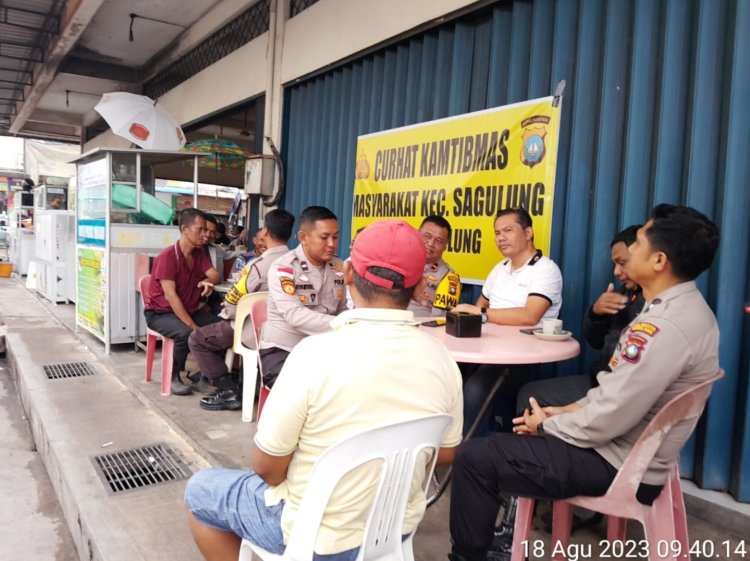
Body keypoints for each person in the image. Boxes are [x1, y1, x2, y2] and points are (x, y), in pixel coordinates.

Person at [447, 204, 721, 561]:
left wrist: (549, 422)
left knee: (473, 457)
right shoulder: (684, 310)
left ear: (659, 261)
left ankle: (471, 555)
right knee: (516, 424)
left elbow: (609, 416)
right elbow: (613, 394)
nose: (626, 254)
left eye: (637, 243)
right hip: (626, 447)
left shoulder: (662, 327)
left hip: (614, 462)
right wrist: (562, 410)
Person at [184, 219, 464, 561]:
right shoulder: (443, 359)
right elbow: (445, 454)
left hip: (313, 536)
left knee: (200, 490)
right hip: (394, 530)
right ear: (419, 283)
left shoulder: (313, 356)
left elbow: (266, 467)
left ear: (347, 274)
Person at [451, 207, 563, 434]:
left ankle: (477, 454)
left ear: (528, 232)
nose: (500, 237)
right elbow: (481, 304)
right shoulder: (499, 269)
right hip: (485, 347)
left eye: (508, 230)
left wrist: (481, 314)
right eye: (497, 233)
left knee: (474, 391)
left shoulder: (545, 269)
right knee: (449, 377)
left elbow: (529, 315)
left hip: (521, 356)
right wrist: (471, 313)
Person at [515, 225, 644, 410]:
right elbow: (596, 342)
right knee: (529, 393)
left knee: (530, 398)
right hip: (599, 382)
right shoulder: (626, 293)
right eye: (615, 264)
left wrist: (566, 412)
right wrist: (597, 314)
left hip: (617, 396)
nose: (616, 272)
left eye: (622, 263)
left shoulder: (659, 309)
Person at [188, 209, 295, 411]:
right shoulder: (296, 263)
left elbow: (232, 302)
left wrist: (225, 313)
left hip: (250, 331)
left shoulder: (257, 267)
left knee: (198, 339)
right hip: (285, 331)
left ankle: (228, 390)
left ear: (266, 232)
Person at [258, 206, 348, 387]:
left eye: (335, 237)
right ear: (303, 237)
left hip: (324, 348)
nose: (332, 243)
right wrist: (345, 324)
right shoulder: (284, 268)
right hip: (284, 350)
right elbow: (295, 316)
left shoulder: (338, 266)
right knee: (308, 391)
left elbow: (343, 309)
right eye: (324, 237)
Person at [143, 208, 222, 396]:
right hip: (160, 313)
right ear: (185, 229)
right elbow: (171, 296)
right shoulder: (167, 257)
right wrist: (193, 325)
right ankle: (173, 376)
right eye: (200, 229)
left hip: (188, 308)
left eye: (206, 230)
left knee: (222, 329)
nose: (205, 234)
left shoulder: (198, 255)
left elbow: (215, 274)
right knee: (186, 333)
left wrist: (207, 281)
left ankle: (201, 375)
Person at [407, 215, 461, 317]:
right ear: (417, 234)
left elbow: (441, 318)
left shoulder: (449, 277)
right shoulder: (399, 260)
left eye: (439, 241)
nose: (431, 243)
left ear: (445, 246)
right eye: (427, 236)